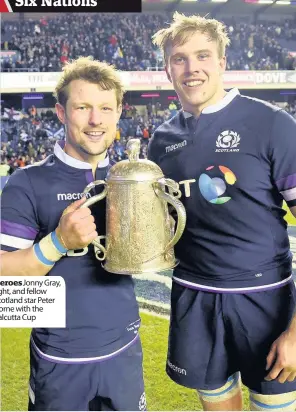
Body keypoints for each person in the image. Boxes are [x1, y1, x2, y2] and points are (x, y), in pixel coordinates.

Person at [148, 12, 296, 411]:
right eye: (179, 58)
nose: (191, 67)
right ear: (167, 70)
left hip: (265, 298)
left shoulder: (271, 124)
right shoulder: (161, 142)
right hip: (195, 297)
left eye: (203, 55)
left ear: (222, 63)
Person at [1, 57, 146, 411]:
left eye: (105, 108)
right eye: (82, 107)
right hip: (60, 361)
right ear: (62, 113)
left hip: (125, 350)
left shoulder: (127, 178)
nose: (95, 120)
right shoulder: (27, 182)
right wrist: (58, 243)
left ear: (118, 113)